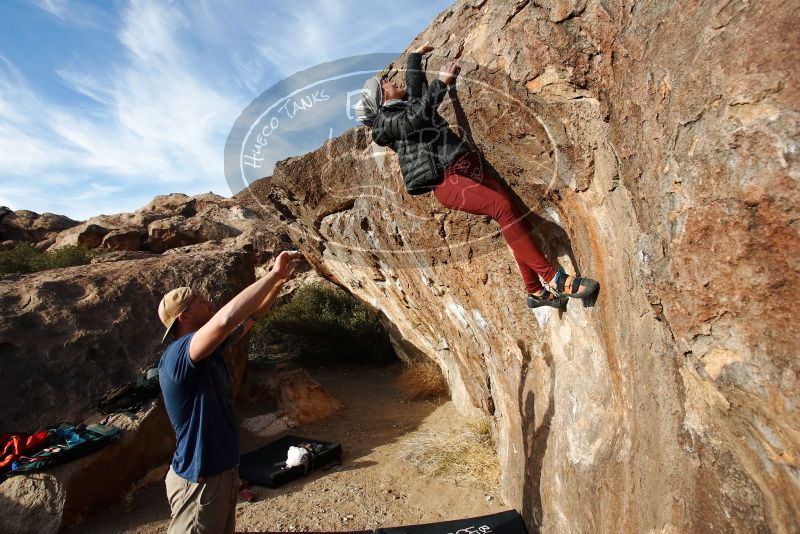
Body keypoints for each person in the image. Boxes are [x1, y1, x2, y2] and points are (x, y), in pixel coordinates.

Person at [355, 44, 599, 308]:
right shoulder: (384, 124)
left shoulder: (403, 106)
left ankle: (535, 292)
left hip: (466, 165)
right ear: (382, 99)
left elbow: (415, 88)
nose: (391, 81)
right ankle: (553, 279)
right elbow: (414, 119)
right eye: (386, 83)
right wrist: (440, 85)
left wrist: (415, 57)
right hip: (448, 180)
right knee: (501, 207)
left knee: (513, 216)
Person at [156, 250, 303, 534]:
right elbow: (225, 320)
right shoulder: (178, 355)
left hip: (221, 473)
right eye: (201, 301)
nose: (209, 302)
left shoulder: (207, 353)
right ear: (184, 315)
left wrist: (277, 283)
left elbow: (249, 319)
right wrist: (272, 273)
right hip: (198, 480)